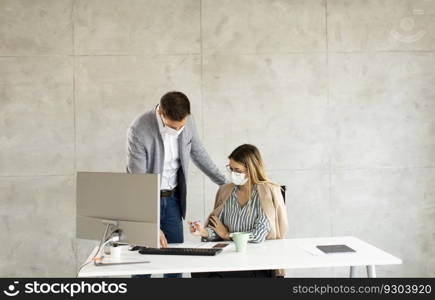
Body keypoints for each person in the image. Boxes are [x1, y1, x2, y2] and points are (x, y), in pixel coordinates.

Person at [127, 91, 226, 278]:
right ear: (161, 113)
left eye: (182, 126)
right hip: (146, 201)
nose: (179, 131)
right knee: (143, 265)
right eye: (174, 128)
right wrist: (150, 225)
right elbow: (136, 181)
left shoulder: (188, 121)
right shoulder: (139, 129)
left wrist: (226, 184)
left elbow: (199, 154)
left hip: (172, 200)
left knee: (175, 262)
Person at [188, 144, 288, 277]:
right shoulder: (226, 191)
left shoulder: (266, 193)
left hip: (256, 260)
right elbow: (218, 228)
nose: (233, 173)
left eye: (238, 170)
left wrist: (227, 235)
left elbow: (258, 236)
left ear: (251, 170)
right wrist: (204, 231)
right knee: (198, 272)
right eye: (230, 169)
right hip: (229, 257)